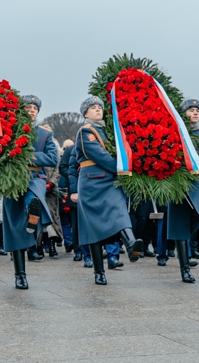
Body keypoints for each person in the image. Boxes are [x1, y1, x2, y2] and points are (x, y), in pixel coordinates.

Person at [74, 96, 143, 285]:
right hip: (92, 183)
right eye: (93, 108)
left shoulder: (109, 131)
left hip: (110, 181)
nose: (98, 110)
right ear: (85, 113)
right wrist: (124, 169)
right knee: (93, 229)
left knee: (119, 211)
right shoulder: (85, 131)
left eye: (99, 107)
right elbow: (100, 156)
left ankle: (131, 243)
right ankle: (99, 272)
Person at [2, 94, 58, 289]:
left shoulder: (44, 134)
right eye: (28, 107)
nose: (32, 110)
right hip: (12, 180)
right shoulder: (8, 131)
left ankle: (32, 211)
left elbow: (52, 159)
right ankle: (20, 274)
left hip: (35, 177)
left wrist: (26, 155)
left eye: (35, 108)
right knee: (15, 228)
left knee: (33, 195)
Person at [167, 99, 199, 283]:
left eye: (197, 110)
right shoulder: (172, 133)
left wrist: (190, 171)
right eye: (191, 110)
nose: (195, 113)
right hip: (178, 181)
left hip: (197, 177)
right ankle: (185, 269)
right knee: (180, 225)